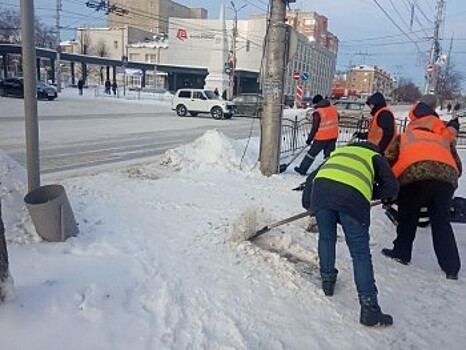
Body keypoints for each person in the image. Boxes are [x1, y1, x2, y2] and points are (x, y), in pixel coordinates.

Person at [308, 140, 399, 326]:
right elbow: (392, 186)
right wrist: (367, 192)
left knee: (326, 238)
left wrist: (310, 203)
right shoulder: (375, 157)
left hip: (322, 193)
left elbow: (311, 178)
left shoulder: (339, 152)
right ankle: (370, 308)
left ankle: (327, 283)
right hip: (353, 200)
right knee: (360, 254)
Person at [382, 94, 462, 280]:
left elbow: (387, 162)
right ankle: (451, 268)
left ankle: (401, 253)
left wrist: (389, 188)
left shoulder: (404, 137)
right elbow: (457, 166)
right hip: (445, 180)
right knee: (441, 221)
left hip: (414, 179)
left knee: (407, 217)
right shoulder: (442, 140)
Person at [294, 95, 339, 175]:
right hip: (333, 135)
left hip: (322, 137)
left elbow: (314, 127)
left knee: (311, 154)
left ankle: (302, 169)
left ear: (316, 103)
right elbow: (338, 117)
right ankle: (328, 171)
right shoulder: (332, 108)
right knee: (329, 155)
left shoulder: (318, 112)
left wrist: (309, 139)